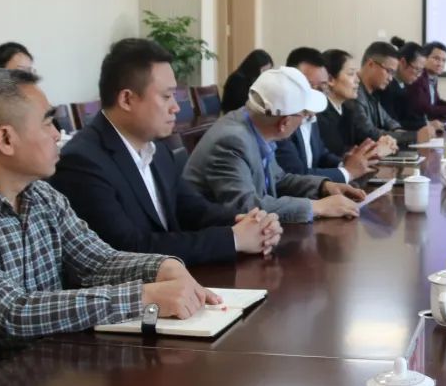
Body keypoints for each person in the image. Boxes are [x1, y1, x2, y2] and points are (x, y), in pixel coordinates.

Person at [0, 69, 219, 360]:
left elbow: (97, 262)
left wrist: (162, 266)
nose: (57, 134)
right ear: (6, 139)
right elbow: (13, 311)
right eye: (47, 122)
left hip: (52, 362)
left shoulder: (43, 196)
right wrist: (144, 297)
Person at [50, 39, 282, 266]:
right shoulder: (82, 162)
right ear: (127, 99)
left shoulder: (157, 148)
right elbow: (127, 248)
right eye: (166, 96)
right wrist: (233, 239)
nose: (176, 107)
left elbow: (192, 209)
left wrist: (247, 223)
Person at [184, 66, 365, 223]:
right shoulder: (231, 141)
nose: (309, 118)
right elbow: (246, 208)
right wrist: (317, 207)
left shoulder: (254, 125)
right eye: (304, 114)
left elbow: (278, 180)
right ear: (284, 123)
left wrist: (323, 187)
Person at [275, 47, 377, 184]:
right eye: (309, 86)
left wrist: (344, 163)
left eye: (321, 88)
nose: (315, 94)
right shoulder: (281, 119)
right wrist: (347, 172)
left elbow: (321, 154)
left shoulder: (311, 115)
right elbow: (296, 173)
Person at [351, 41, 441, 148]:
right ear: (371, 64)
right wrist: (414, 136)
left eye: (393, 73)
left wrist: (398, 130)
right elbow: (369, 133)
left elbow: (388, 120)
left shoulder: (372, 91)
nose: (390, 78)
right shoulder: (354, 92)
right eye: (388, 71)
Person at [315, 49, 398, 159]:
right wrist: (376, 151)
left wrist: (384, 142)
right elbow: (336, 154)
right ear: (330, 79)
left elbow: (361, 142)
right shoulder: (320, 114)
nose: (357, 80)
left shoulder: (348, 110)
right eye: (351, 74)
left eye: (356, 74)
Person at [379, 37, 428, 130]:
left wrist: (426, 123)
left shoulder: (403, 84)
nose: (419, 75)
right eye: (417, 69)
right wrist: (424, 125)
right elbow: (392, 123)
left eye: (421, 71)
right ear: (403, 62)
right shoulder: (387, 87)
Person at [221, 49, 274, 114]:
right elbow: (245, 104)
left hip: (246, 112)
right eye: (263, 70)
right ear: (254, 68)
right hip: (236, 114)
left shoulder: (252, 78)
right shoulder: (237, 79)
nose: (265, 74)